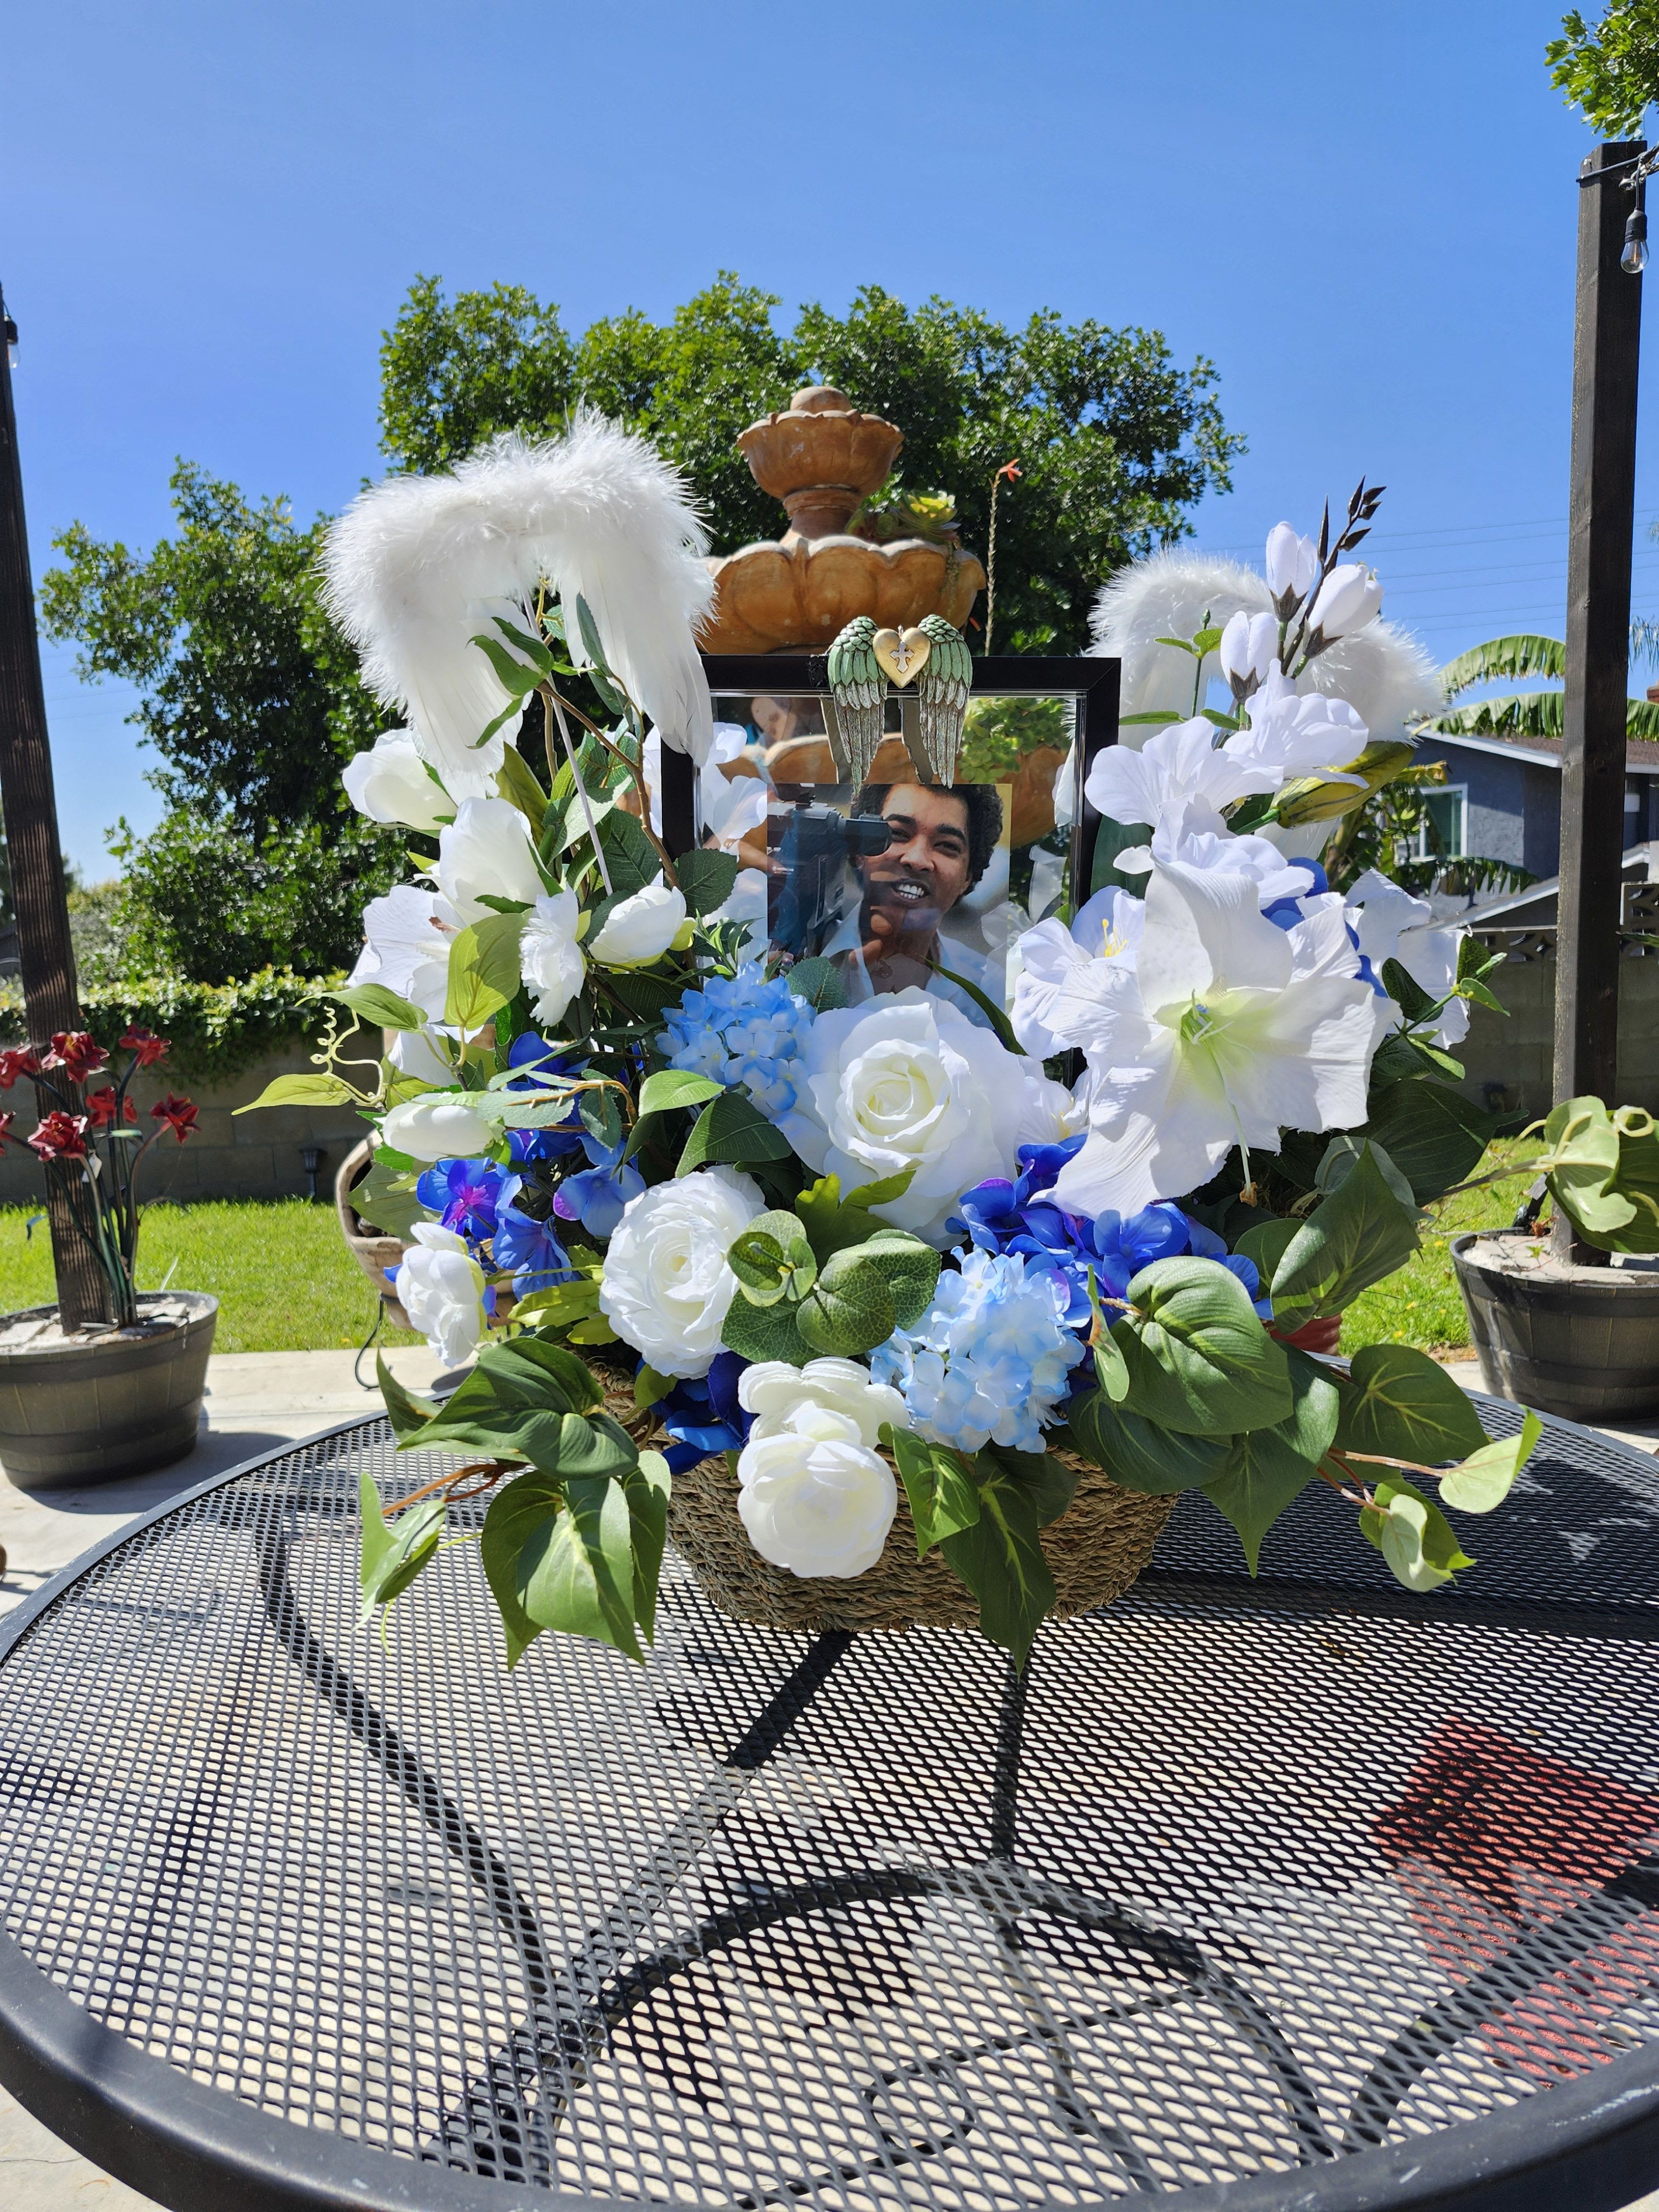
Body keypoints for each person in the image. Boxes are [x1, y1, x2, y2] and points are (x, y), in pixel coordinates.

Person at [822, 781, 1005, 1023]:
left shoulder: (990, 993)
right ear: (859, 852)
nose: (917, 859)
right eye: (897, 834)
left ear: (968, 877)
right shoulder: (793, 962)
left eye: (947, 846)